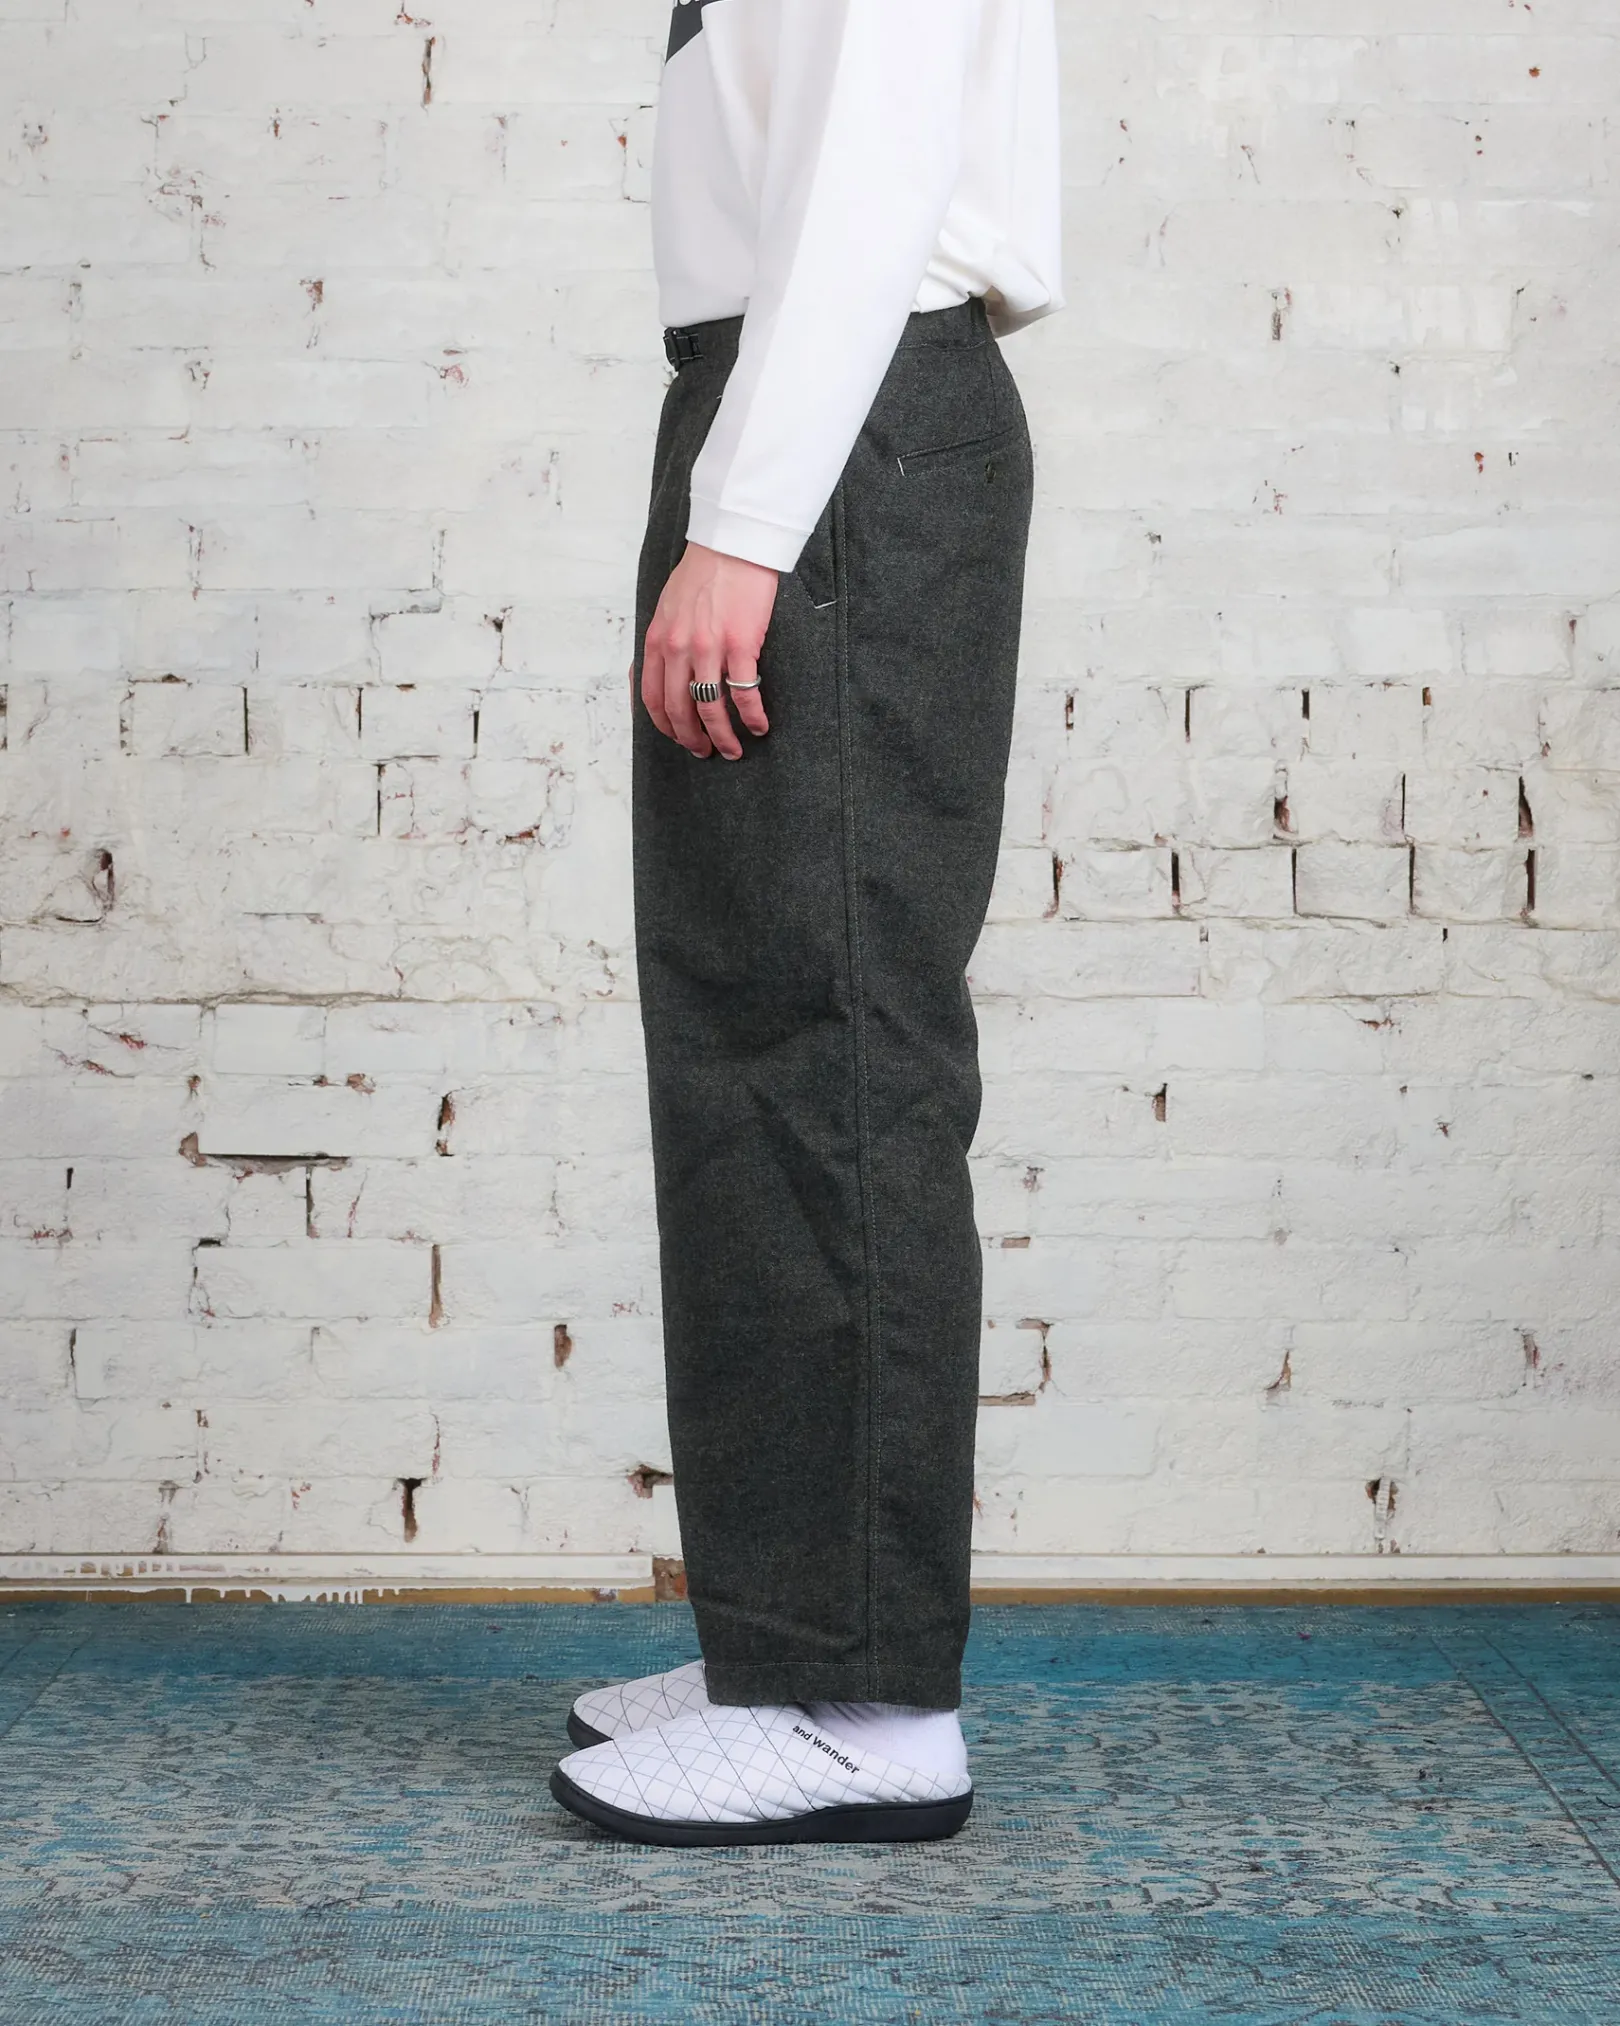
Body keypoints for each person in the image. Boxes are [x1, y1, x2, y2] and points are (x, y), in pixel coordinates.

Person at [549, 0, 1062, 1847]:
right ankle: (792, 1644)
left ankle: (871, 1704)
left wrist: (748, 523)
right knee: (754, 1037)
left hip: (842, 428)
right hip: (798, 406)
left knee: (833, 1048)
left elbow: (872, 166)